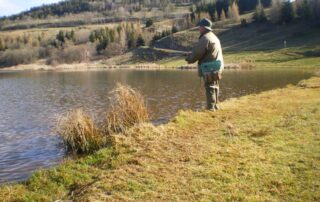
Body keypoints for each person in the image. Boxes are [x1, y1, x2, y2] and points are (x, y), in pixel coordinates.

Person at [185, 18, 224, 111]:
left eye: (200, 26)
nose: (199, 28)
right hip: (217, 65)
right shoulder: (214, 37)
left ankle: (210, 107)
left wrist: (189, 58)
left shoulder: (205, 38)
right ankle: (215, 105)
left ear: (204, 27)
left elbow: (197, 53)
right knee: (215, 85)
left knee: (209, 86)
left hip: (209, 67)